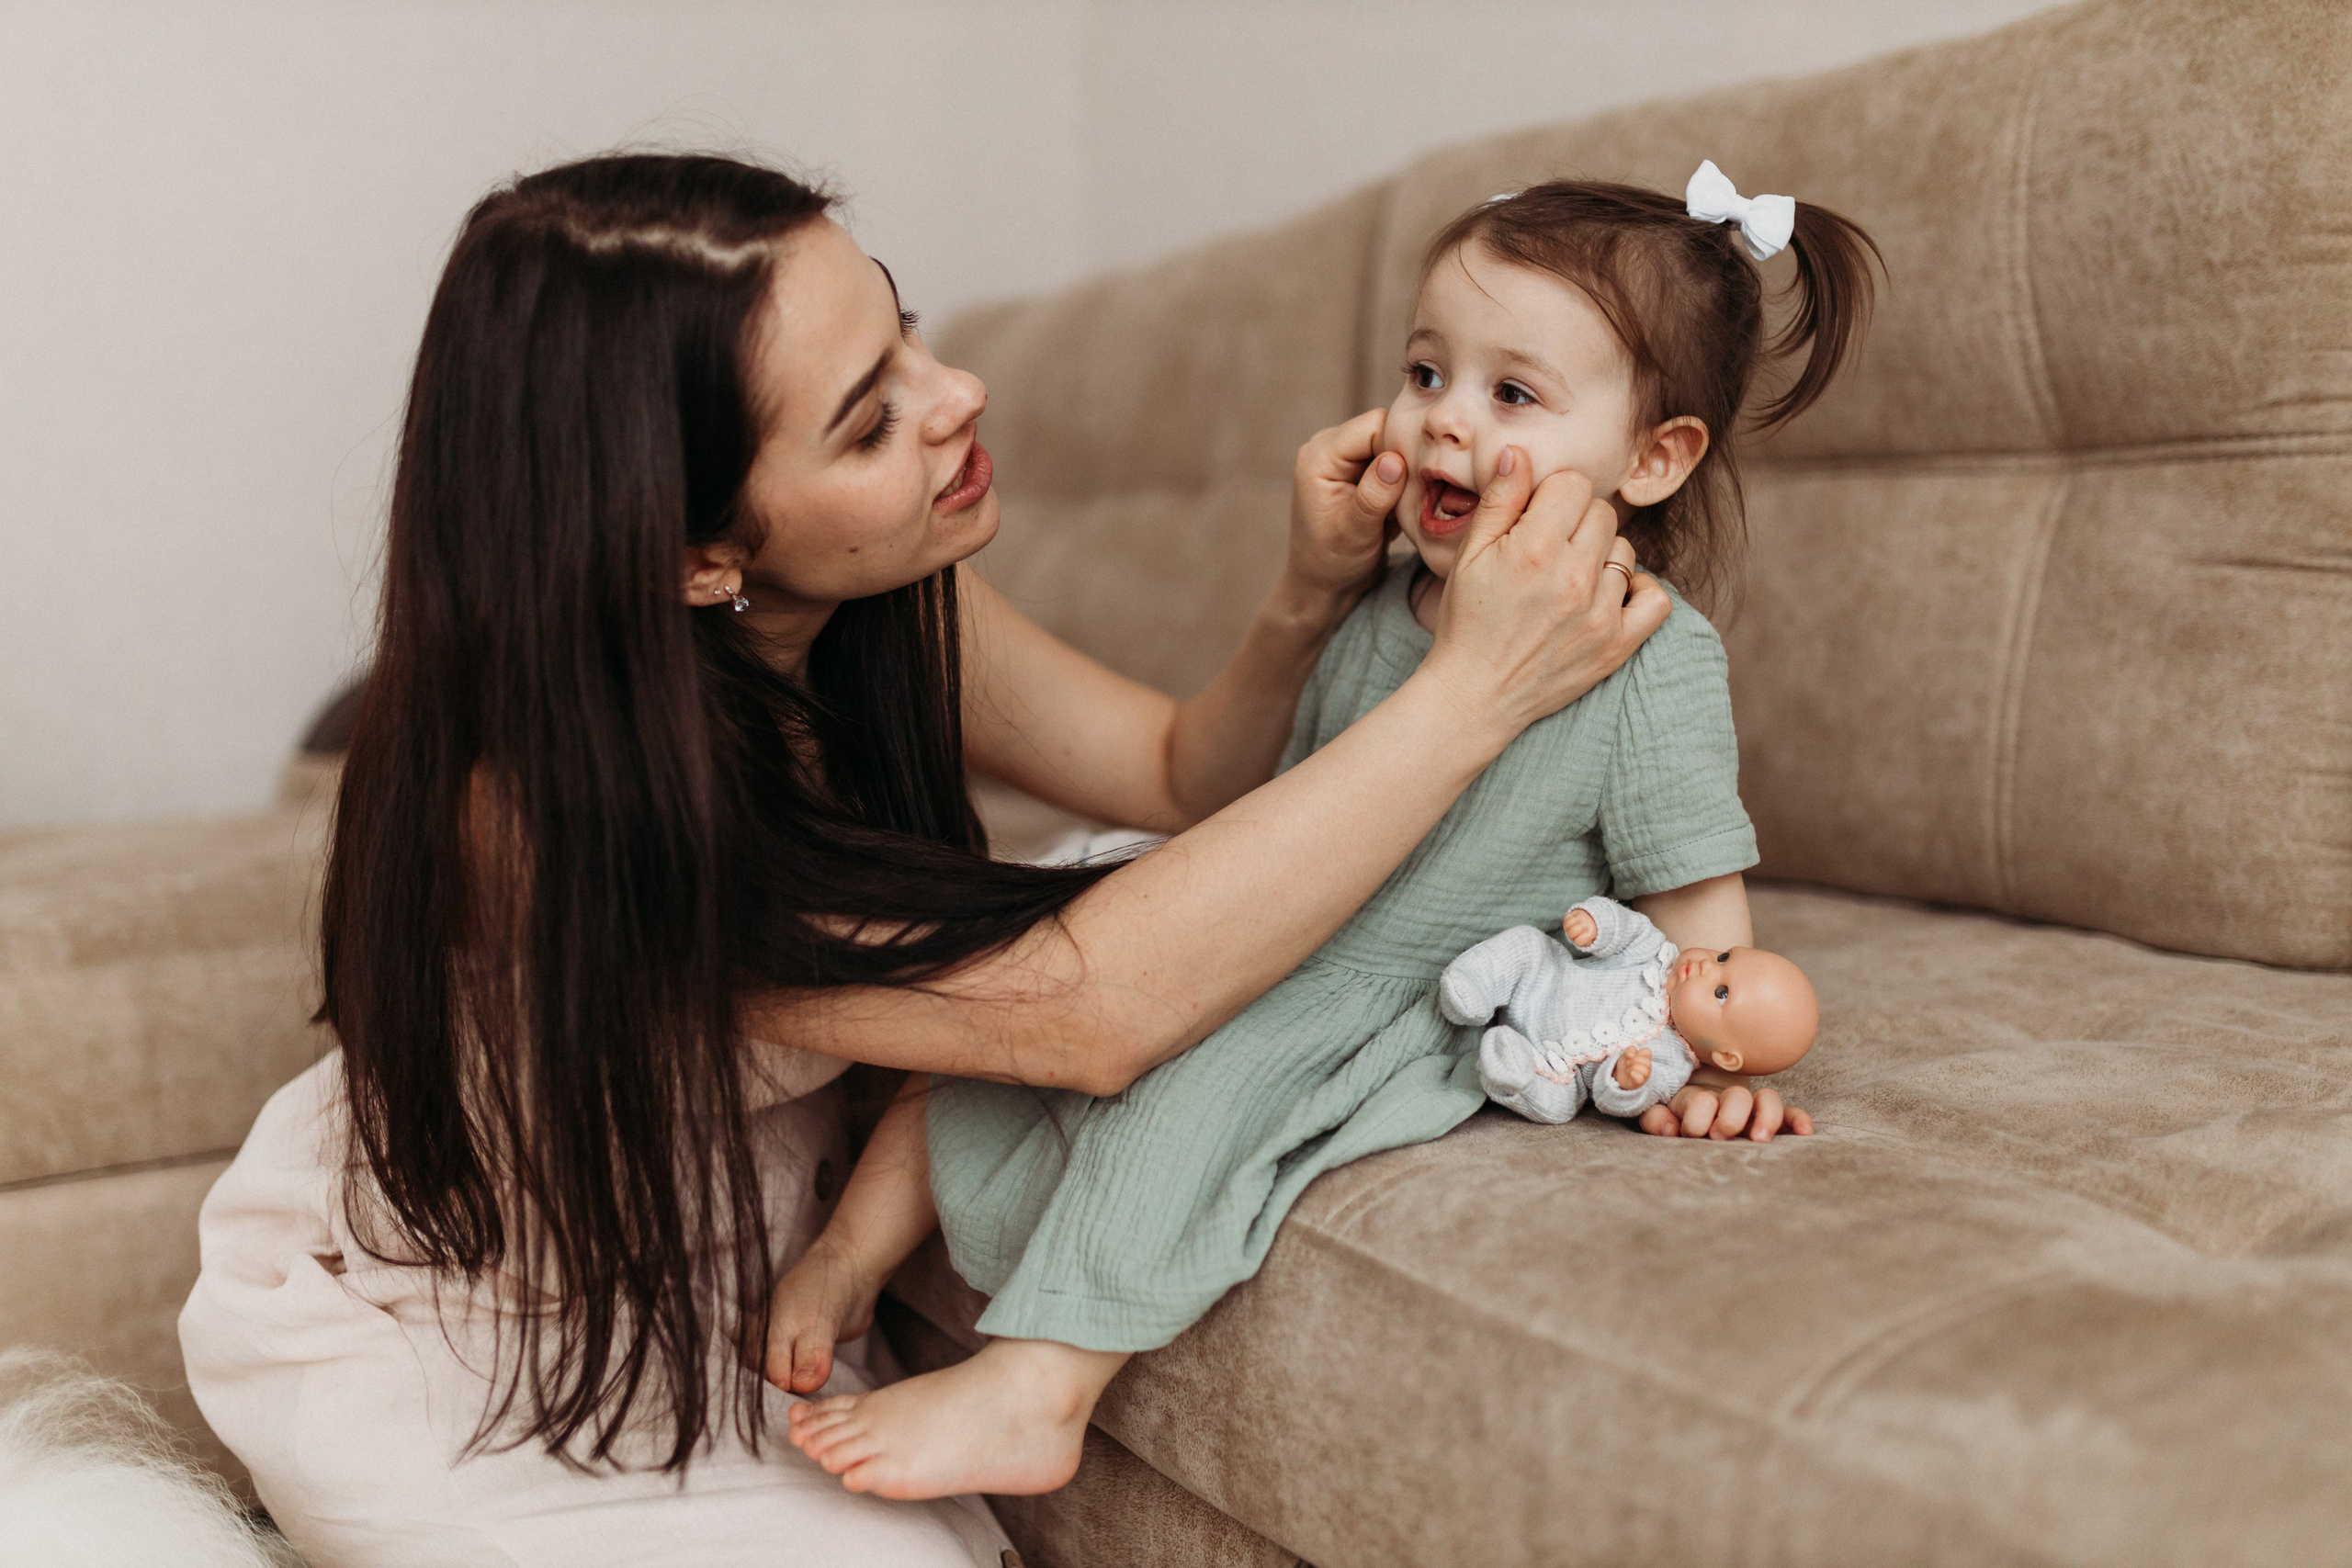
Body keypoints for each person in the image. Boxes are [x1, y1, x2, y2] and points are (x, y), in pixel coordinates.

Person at [177, 151, 1669, 1567]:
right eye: (869, 421)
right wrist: (1476, 694)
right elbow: (1076, 1013)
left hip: (730, 1299)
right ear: (699, 556)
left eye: (908, 338)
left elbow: (1174, 770)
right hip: (454, 1337)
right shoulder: (549, 818)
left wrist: (1306, 594)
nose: (957, 395)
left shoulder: (886, 603)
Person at [776, 163, 1871, 1506]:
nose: (1445, 425)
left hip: (1416, 981)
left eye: (1512, 395)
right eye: (1426, 374)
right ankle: (849, 1252)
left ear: (1656, 458)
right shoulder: (1378, 599)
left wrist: (1706, 1054)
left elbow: (1697, 895)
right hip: (1278, 922)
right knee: (997, 973)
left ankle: (1040, 1383)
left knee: (1190, 1082)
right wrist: (1316, 584)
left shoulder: (1645, 654)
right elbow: (1260, 805)